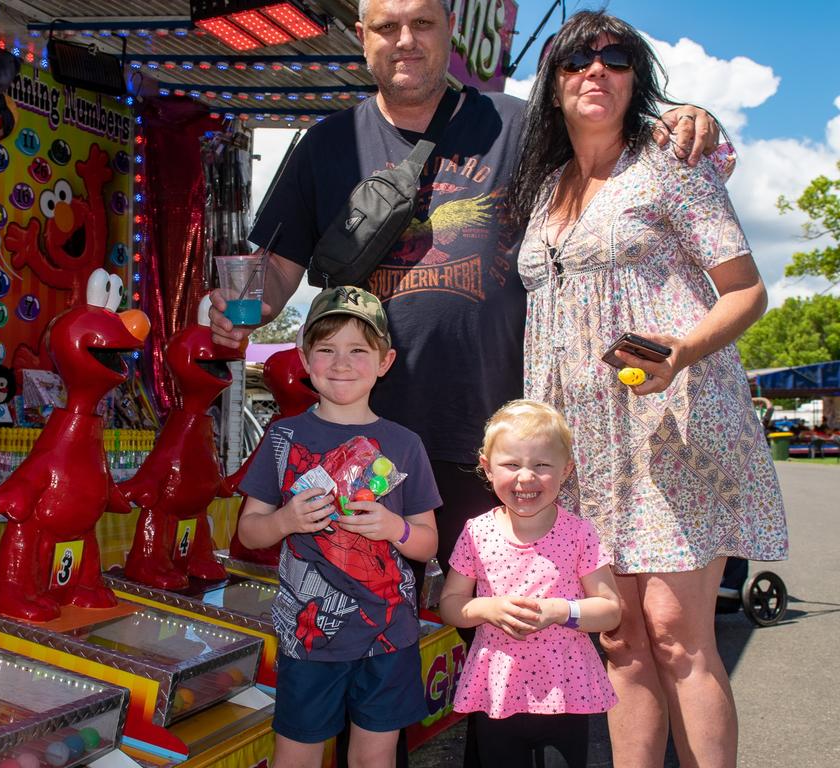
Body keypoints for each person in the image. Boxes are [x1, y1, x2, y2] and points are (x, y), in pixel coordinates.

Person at [212, 0, 719, 604]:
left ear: (448, 31)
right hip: (372, 442)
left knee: (507, 627)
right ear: (362, 38)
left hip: (499, 446)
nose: (406, 40)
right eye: (387, 28)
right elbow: (276, 278)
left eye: (422, 24)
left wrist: (682, 116)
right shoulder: (326, 145)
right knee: (367, 616)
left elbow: (611, 131)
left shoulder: (521, 126)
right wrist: (239, 310)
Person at [509, 11, 788, 767]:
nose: (596, 71)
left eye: (616, 58)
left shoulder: (668, 161)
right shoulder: (543, 188)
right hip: (583, 444)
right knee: (621, 638)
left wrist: (682, 348)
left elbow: (744, 290)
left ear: (636, 78)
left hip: (670, 424)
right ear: (554, 85)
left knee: (675, 633)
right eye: (576, 61)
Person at [237, 286, 440, 768]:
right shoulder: (283, 438)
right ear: (306, 360)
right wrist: (285, 520)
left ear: (385, 361)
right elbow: (249, 533)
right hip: (308, 638)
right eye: (326, 349)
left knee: (375, 756)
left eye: (358, 350)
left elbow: (427, 543)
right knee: (297, 754)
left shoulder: (405, 444)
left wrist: (394, 527)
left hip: (390, 636)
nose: (341, 363)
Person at [439, 400, 621, 767]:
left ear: (566, 470)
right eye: (511, 464)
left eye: (542, 465)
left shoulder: (579, 533)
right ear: (486, 469)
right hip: (497, 689)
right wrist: (485, 608)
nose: (525, 477)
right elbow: (451, 604)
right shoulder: (477, 533)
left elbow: (610, 610)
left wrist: (561, 610)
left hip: (566, 690)